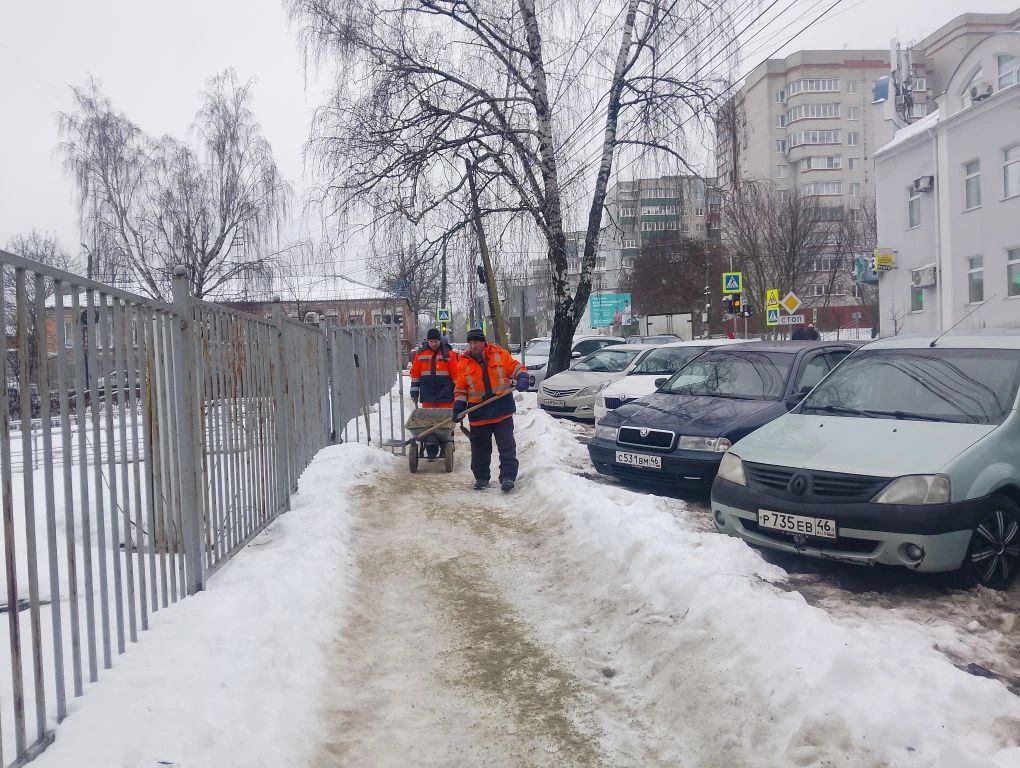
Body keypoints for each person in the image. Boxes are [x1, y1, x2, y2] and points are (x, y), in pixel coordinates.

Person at [452, 327, 529, 491]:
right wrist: (458, 407)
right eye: (470, 343)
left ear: (483, 342)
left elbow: (516, 368)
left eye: (476, 342)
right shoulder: (463, 363)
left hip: (502, 410)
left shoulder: (499, 354)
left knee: (507, 446)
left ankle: (508, 477)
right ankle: (481, 478)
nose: (473, 346)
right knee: (480, 449)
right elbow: (461, 389)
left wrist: (522, 376)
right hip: (478, 413)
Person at [409, 328, 461, 459]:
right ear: (428, 341)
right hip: (428, 394)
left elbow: (456, 375)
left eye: (436, 341)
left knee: (446, 422)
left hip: (446, 393)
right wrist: (414, 392)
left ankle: (447, 444)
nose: (433, 344)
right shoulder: (420, 355)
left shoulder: (448, 354)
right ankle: (431, 449)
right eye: (431, 341)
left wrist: (459, 392)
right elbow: (415, 374)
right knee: (429, 422)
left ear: (440, 341)